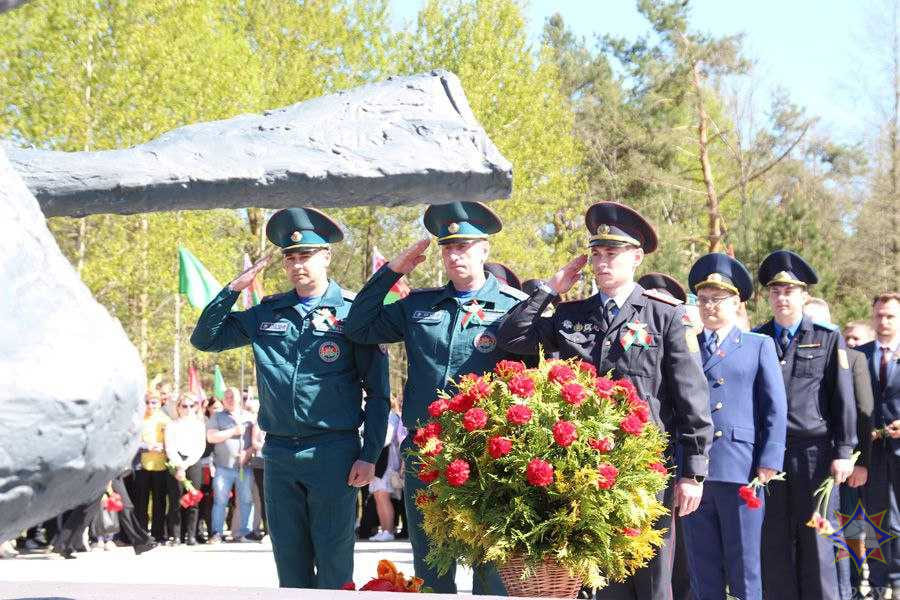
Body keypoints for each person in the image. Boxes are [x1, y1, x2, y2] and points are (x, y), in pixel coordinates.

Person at [496, 201, 713, 600]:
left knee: (650, 578)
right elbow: (510, 338)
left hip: (646, 469)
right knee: (594, 581)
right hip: (584, 468)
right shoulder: (570, 314)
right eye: (596, 254)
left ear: (636, 257)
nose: (601, 262)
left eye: (611, 254)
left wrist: (693, 472)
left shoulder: (664, 316)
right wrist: (550, 289)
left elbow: (691, 398)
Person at [191, 207, 390, 589]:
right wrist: (233, 290)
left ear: (326, 257)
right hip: (279, 454)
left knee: (334, 561)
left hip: (333, 452)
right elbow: (205, 339)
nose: (298, 264)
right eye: (291, 257)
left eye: (307, 255)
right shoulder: (267, 313)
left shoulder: (352, 313)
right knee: (290, 563)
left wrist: (369, 455)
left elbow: (379, 394)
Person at [344, 200, 527, 595]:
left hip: (487, 452)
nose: (454, 255)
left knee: (490, 567)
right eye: (448, 247)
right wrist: (393, 272)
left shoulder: (512, 308)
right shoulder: (418, 306)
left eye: (464, 246)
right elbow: (359, 327)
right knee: (430, 566)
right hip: (426, 449)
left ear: (484, 250)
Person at [680, 253, 787, 600]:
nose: (709, 306)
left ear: (737, 301)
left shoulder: (758, 344)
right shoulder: (685, 345)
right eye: (703, 299)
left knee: (745, 566)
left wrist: (770, 459)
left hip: (741, 468)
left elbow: (774, 406)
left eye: (718, 299)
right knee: (702, 566)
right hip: (694, 470)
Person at [754, 250, 856, 600]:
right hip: (770, 456)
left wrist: (844, 451)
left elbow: (842, 398)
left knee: (818, 541)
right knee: (774, 541)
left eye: (790, 291)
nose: (782, 298)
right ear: (768, 295)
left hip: (814, 455)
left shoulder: (827, 338)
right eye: (776, 291)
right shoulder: (758, 338)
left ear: (803, 296)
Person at [804, 296, 874, 600]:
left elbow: (862, 410)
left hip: (836, 458)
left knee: (830, 530)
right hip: (799, 458)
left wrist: (861, 461)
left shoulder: (853, 357)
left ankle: (844, 592)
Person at [857, 292, 900, 598]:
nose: (883, 321)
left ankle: (897, 580)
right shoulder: (859, 354)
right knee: (872, 519)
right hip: (869, 453)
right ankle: (876, 582)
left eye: (890, 316)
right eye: (879, 315)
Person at [205, 386, 256, 544]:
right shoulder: (217, 417)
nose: (229, 399)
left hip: (244, 467)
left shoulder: (249, 417)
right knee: (220, 501)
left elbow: (258, 439)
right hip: (223, 467)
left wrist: (247, 453)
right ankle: (217, 533)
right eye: (226, 396)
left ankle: (245, 533)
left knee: (246, 499)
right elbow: (211, 437)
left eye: (232, 396)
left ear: (239, 398)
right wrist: (234, 431)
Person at [164, 392, 207, 545]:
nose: (188, 408)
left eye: (192, 405)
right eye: (184, 406)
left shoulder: (200, 425)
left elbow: (200, 447)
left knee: (193, 501)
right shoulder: (171, 425)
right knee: (176, 500)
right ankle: (176, 536)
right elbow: (169, 447)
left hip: (193, 462)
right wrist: (179, 465)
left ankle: (191, 535)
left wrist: (186, 464)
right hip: (175, 462)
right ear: (178, 407)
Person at [133, 390, 171, 543]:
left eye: (153, 402)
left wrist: (164, 446)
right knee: (141, 502)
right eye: (147, 402)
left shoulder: (166, 420)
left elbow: (173, 440)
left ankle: (158, 534)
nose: (150, 405)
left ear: (160, 403)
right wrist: (147, 446)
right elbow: (133, 442)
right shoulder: (139, 419)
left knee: (159, 502)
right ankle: (142, 534)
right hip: (142, 466)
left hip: (161, 466)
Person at [368, 398, 407, 541]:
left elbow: (386, 439)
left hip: (386, 462)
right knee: (378, 496)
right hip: (378, 462)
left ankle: (389, 531)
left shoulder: (390, 416)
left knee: (383, 496)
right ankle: (384, 530)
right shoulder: (382, 415)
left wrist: (369, 441)